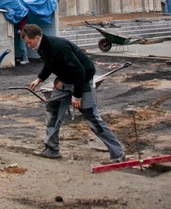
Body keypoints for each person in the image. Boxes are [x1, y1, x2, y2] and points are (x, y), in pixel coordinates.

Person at [22, 23, 125, 163]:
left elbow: (79, 71)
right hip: (64, 81)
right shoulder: (42, 47)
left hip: (82, 80)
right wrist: (40, 78)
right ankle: (52, 149)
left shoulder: (58, 47)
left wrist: (77, 96)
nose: (28, 46)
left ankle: (118, 153)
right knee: (52, 112)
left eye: (29, 42)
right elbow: (50, 63)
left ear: (37, 37)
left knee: (91, 117)